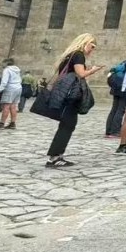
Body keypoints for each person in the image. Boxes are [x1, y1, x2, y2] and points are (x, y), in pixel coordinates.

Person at [46, 34, 104, 168]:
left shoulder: (70, 55)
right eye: (92, 46)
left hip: (65, 94)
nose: (92, 50)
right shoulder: (78, 55)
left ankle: (57, 155)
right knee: (67, 125)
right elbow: (81, 74)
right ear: (85, 43)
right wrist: (93, 70)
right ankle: (54, 157)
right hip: (70, 96)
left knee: (67, 124)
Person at [0, 57, 23, 130]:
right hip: (18, 88)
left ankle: (1, 123)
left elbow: (4, 82)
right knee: (13, 106)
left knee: (6, 106)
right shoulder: (17, 69)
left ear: (6, 63)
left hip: (10, 88)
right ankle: (12, 123)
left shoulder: (7, 70)